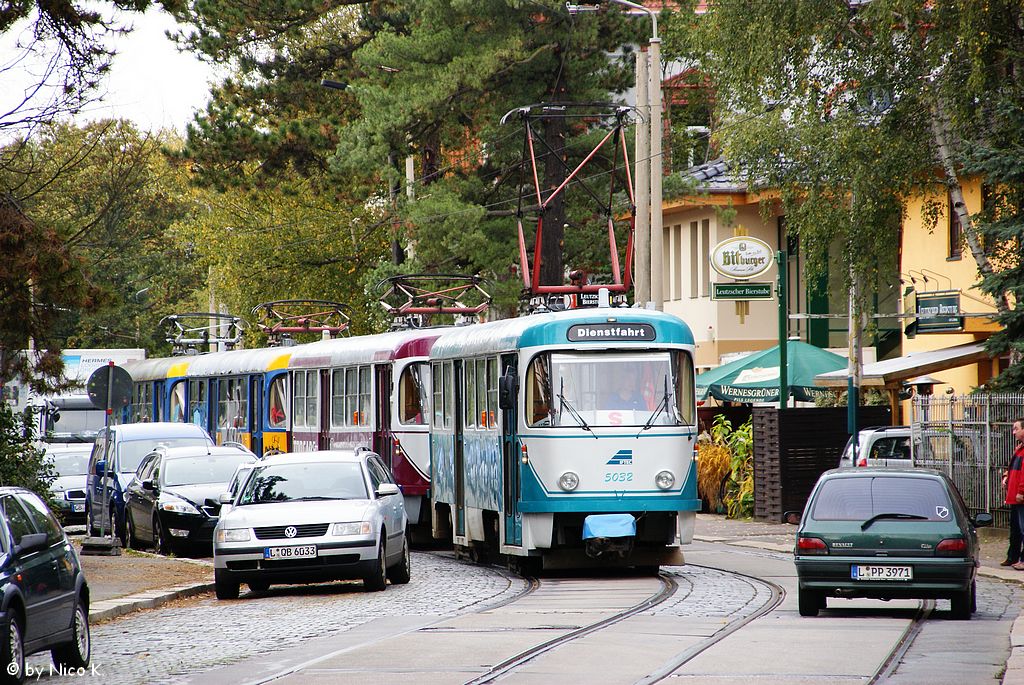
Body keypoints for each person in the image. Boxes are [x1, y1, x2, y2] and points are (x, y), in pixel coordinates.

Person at [1002, 418, 1024, 569]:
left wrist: (1021, 492)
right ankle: (1013, 556)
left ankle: (1022, 560)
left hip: (1020, 496)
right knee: (1015, 528)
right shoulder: (1019, 449)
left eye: (1016, 429)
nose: (1014, 432)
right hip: (1013, 496)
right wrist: (1006, 477)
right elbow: (1012, 469)